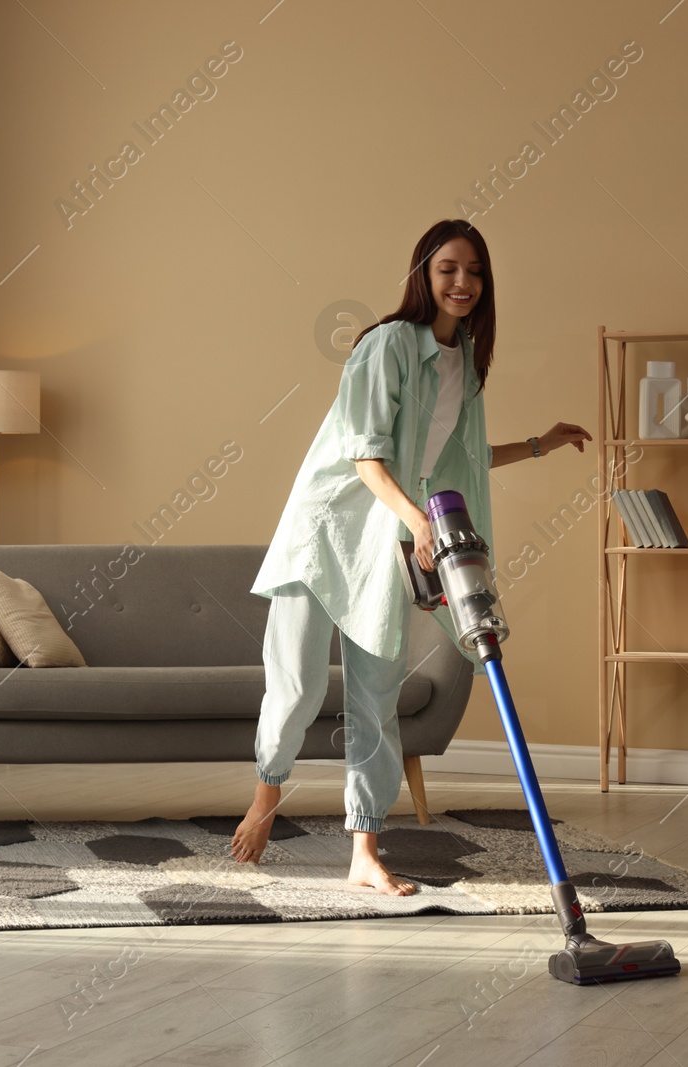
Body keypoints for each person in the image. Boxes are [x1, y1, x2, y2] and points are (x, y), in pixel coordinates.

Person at [231, 219, 591, 895]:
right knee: (300, 687)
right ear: (423, 275)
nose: (462, 282)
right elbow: (367, 454)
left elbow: (458, 465)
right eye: (448, 268)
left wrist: (539, 444)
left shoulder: (468, 367)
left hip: (389, 544)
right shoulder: (388, 345)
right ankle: (265, 796)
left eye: (475, 271)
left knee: (377, 697)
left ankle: (363, 849)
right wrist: (416, 518)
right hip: (329, 534)